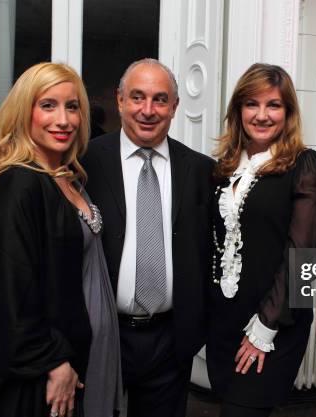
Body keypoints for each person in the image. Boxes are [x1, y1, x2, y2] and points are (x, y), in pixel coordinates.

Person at [0, 62, 123, 417]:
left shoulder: (67, 177)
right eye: (48, 105)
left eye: (73, 107)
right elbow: (10, 291)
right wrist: (53, 362)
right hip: (42, 372)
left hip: (81, 355)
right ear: (25, 112)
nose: (64, 120)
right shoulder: (20, 183)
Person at [81, 58, 215, 417]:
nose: (148, 110)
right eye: (137, 97)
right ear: (120, 100)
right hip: (101, 334)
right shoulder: (85, 161)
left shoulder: (200, 169)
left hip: (169, 339)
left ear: (174, 106)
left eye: (159, 99)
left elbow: (208, 253)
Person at [207, 63, 316, 417]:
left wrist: (264, 328)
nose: (262, 115)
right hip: (224, 326)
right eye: (251, 104)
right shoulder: (226, 166)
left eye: (273, 105)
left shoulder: (303, 165)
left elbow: (302, 257)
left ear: (288, 113)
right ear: (238, 110)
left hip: (272, 324)